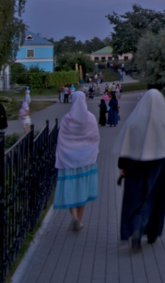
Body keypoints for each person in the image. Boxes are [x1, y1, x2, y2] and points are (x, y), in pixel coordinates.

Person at [113, 89, 165, 250]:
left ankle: (135, 228)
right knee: (155, 199)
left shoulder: (134, 121)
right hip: (157, 167)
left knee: (135, 198)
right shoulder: (163, 122)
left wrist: (122, 166)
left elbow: (126, 144)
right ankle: (152, 232)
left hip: (135, 165)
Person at [54, 91, 100, 232]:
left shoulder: (66, 119)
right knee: (82, 190)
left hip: (69, 160)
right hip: (86, 160)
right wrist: (92, 151)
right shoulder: (90, 118)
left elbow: (61, 140)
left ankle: (73, 216)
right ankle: (79, 221)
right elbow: (95, 137)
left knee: (70, 189)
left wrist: (62, 154)